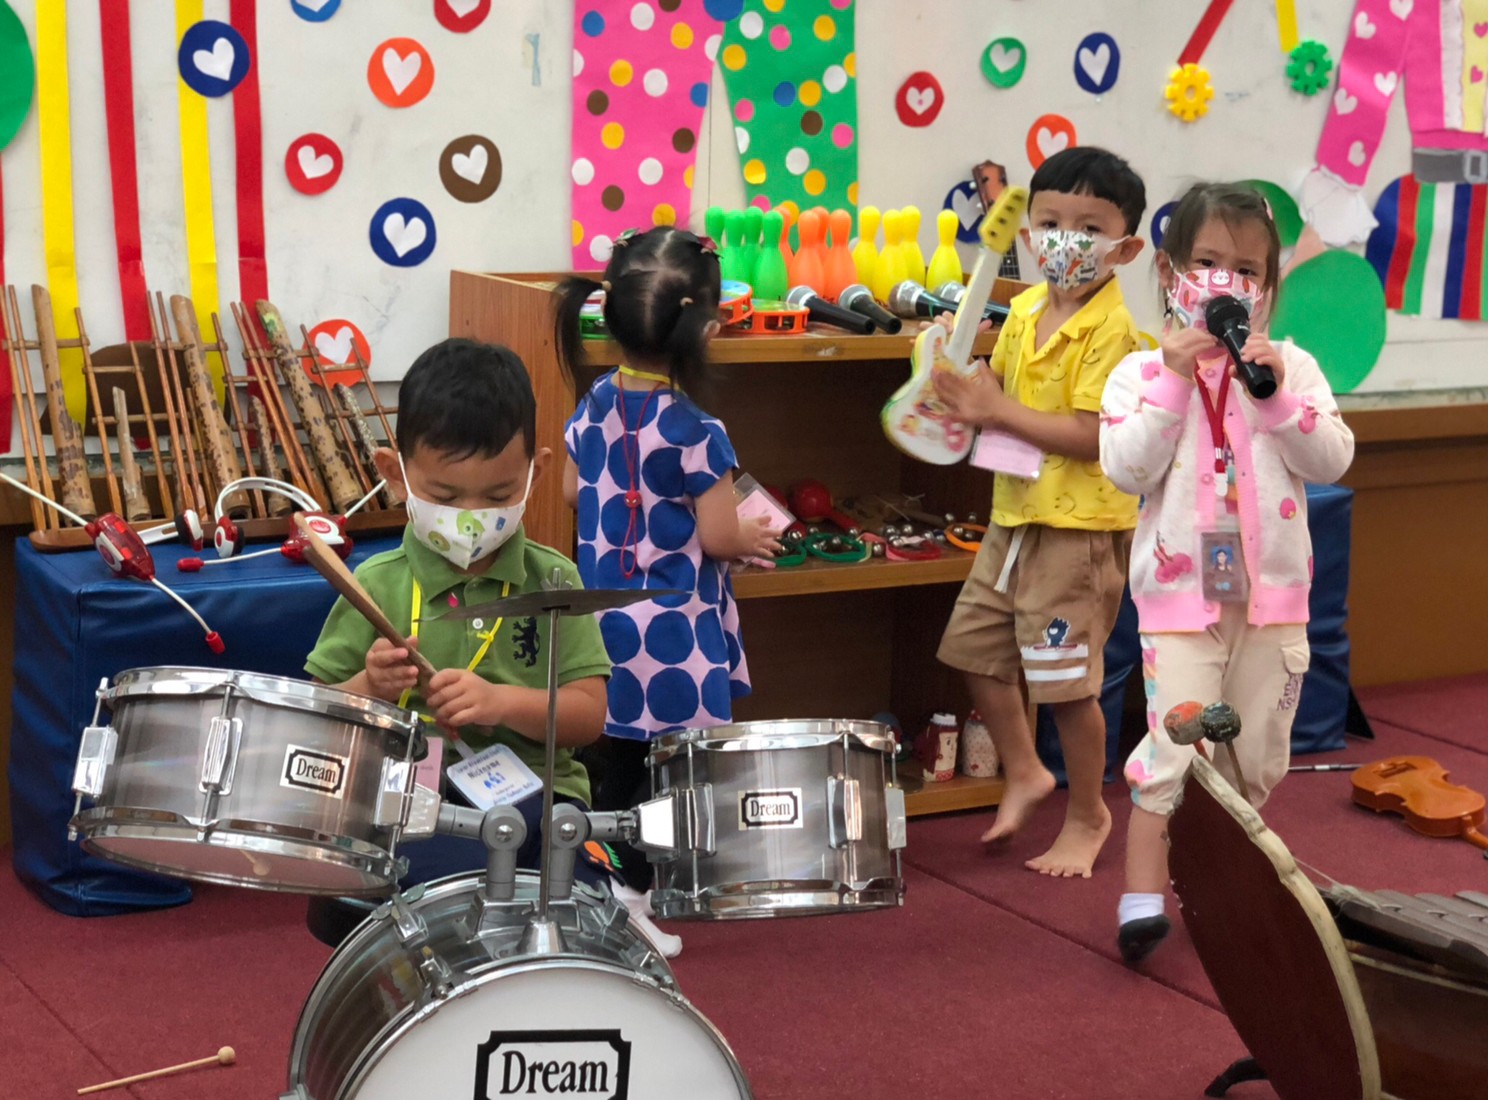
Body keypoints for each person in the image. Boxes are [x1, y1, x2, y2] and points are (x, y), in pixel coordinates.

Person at [1099, 182, 1355, 963]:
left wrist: (1277, 399)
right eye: (1208, 262)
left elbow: (1333, 457)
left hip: (1272, 606)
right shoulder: (1140, 374)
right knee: (1177, 747)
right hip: (1182, 606)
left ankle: (1226, 891)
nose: (1226, 283)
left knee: (1255, 758)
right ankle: (1142, 897)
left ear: (1268, 286)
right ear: (1171, 272)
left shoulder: (1292, 368)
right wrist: (1175, 383)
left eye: (1246, 270)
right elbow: (1126, 468)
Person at [304, 339, 617, 941]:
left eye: (498, 496)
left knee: (577, 915)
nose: (470, 517)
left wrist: (502, 703)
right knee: (432, 900)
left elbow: (588, 717)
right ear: (394, 474)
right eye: (445, 498)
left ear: (536, 472)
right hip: (409, 801)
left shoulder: (554, 579)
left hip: (542, 797)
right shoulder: (376, 584)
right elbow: (318, 720)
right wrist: (370, 684)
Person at [554, 226, 782, 956]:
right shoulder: (697, 430)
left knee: (614, 762)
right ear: (706, 329)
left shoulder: (594, 401)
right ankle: (628, 895)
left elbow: (570, 490)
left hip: (603, 620)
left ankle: (608, 884)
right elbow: (717, 535)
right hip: (673, 634)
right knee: (662, 771)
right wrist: (752, 536)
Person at [932, 146, 1147, 879]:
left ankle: (1089, 812)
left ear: (1125, 248)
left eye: (1089, 228)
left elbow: (1092, 436)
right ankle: (1025, 769)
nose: (1065, 240)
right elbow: (994, 392)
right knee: (972, 649)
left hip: (1076, 535)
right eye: (1050, 223)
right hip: (1015, 517)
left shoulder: (1115, 333)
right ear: (1027, 234)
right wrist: (957, 377)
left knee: (1066, 686)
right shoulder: (1024, 309)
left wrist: (995, 409)